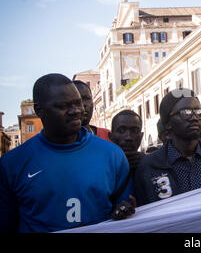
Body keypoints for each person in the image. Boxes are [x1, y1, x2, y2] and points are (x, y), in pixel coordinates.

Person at [0, 74, 133, 232]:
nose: (76, 111)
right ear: (39, 110)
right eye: (63, 106)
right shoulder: (12, 163)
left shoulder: (112, 155)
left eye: (78, 103)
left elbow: (124, 214)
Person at [134, 88, 201, 206]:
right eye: (185, 112)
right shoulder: (149, 167)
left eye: (198, 112)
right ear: (167, 123)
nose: (194, 118)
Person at [109, 110, 145, 180]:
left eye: (134, 131)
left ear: (141, 136)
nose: (128, 137)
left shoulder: (152, 166)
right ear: (111, 136)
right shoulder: (100, 168)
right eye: (121, 131)